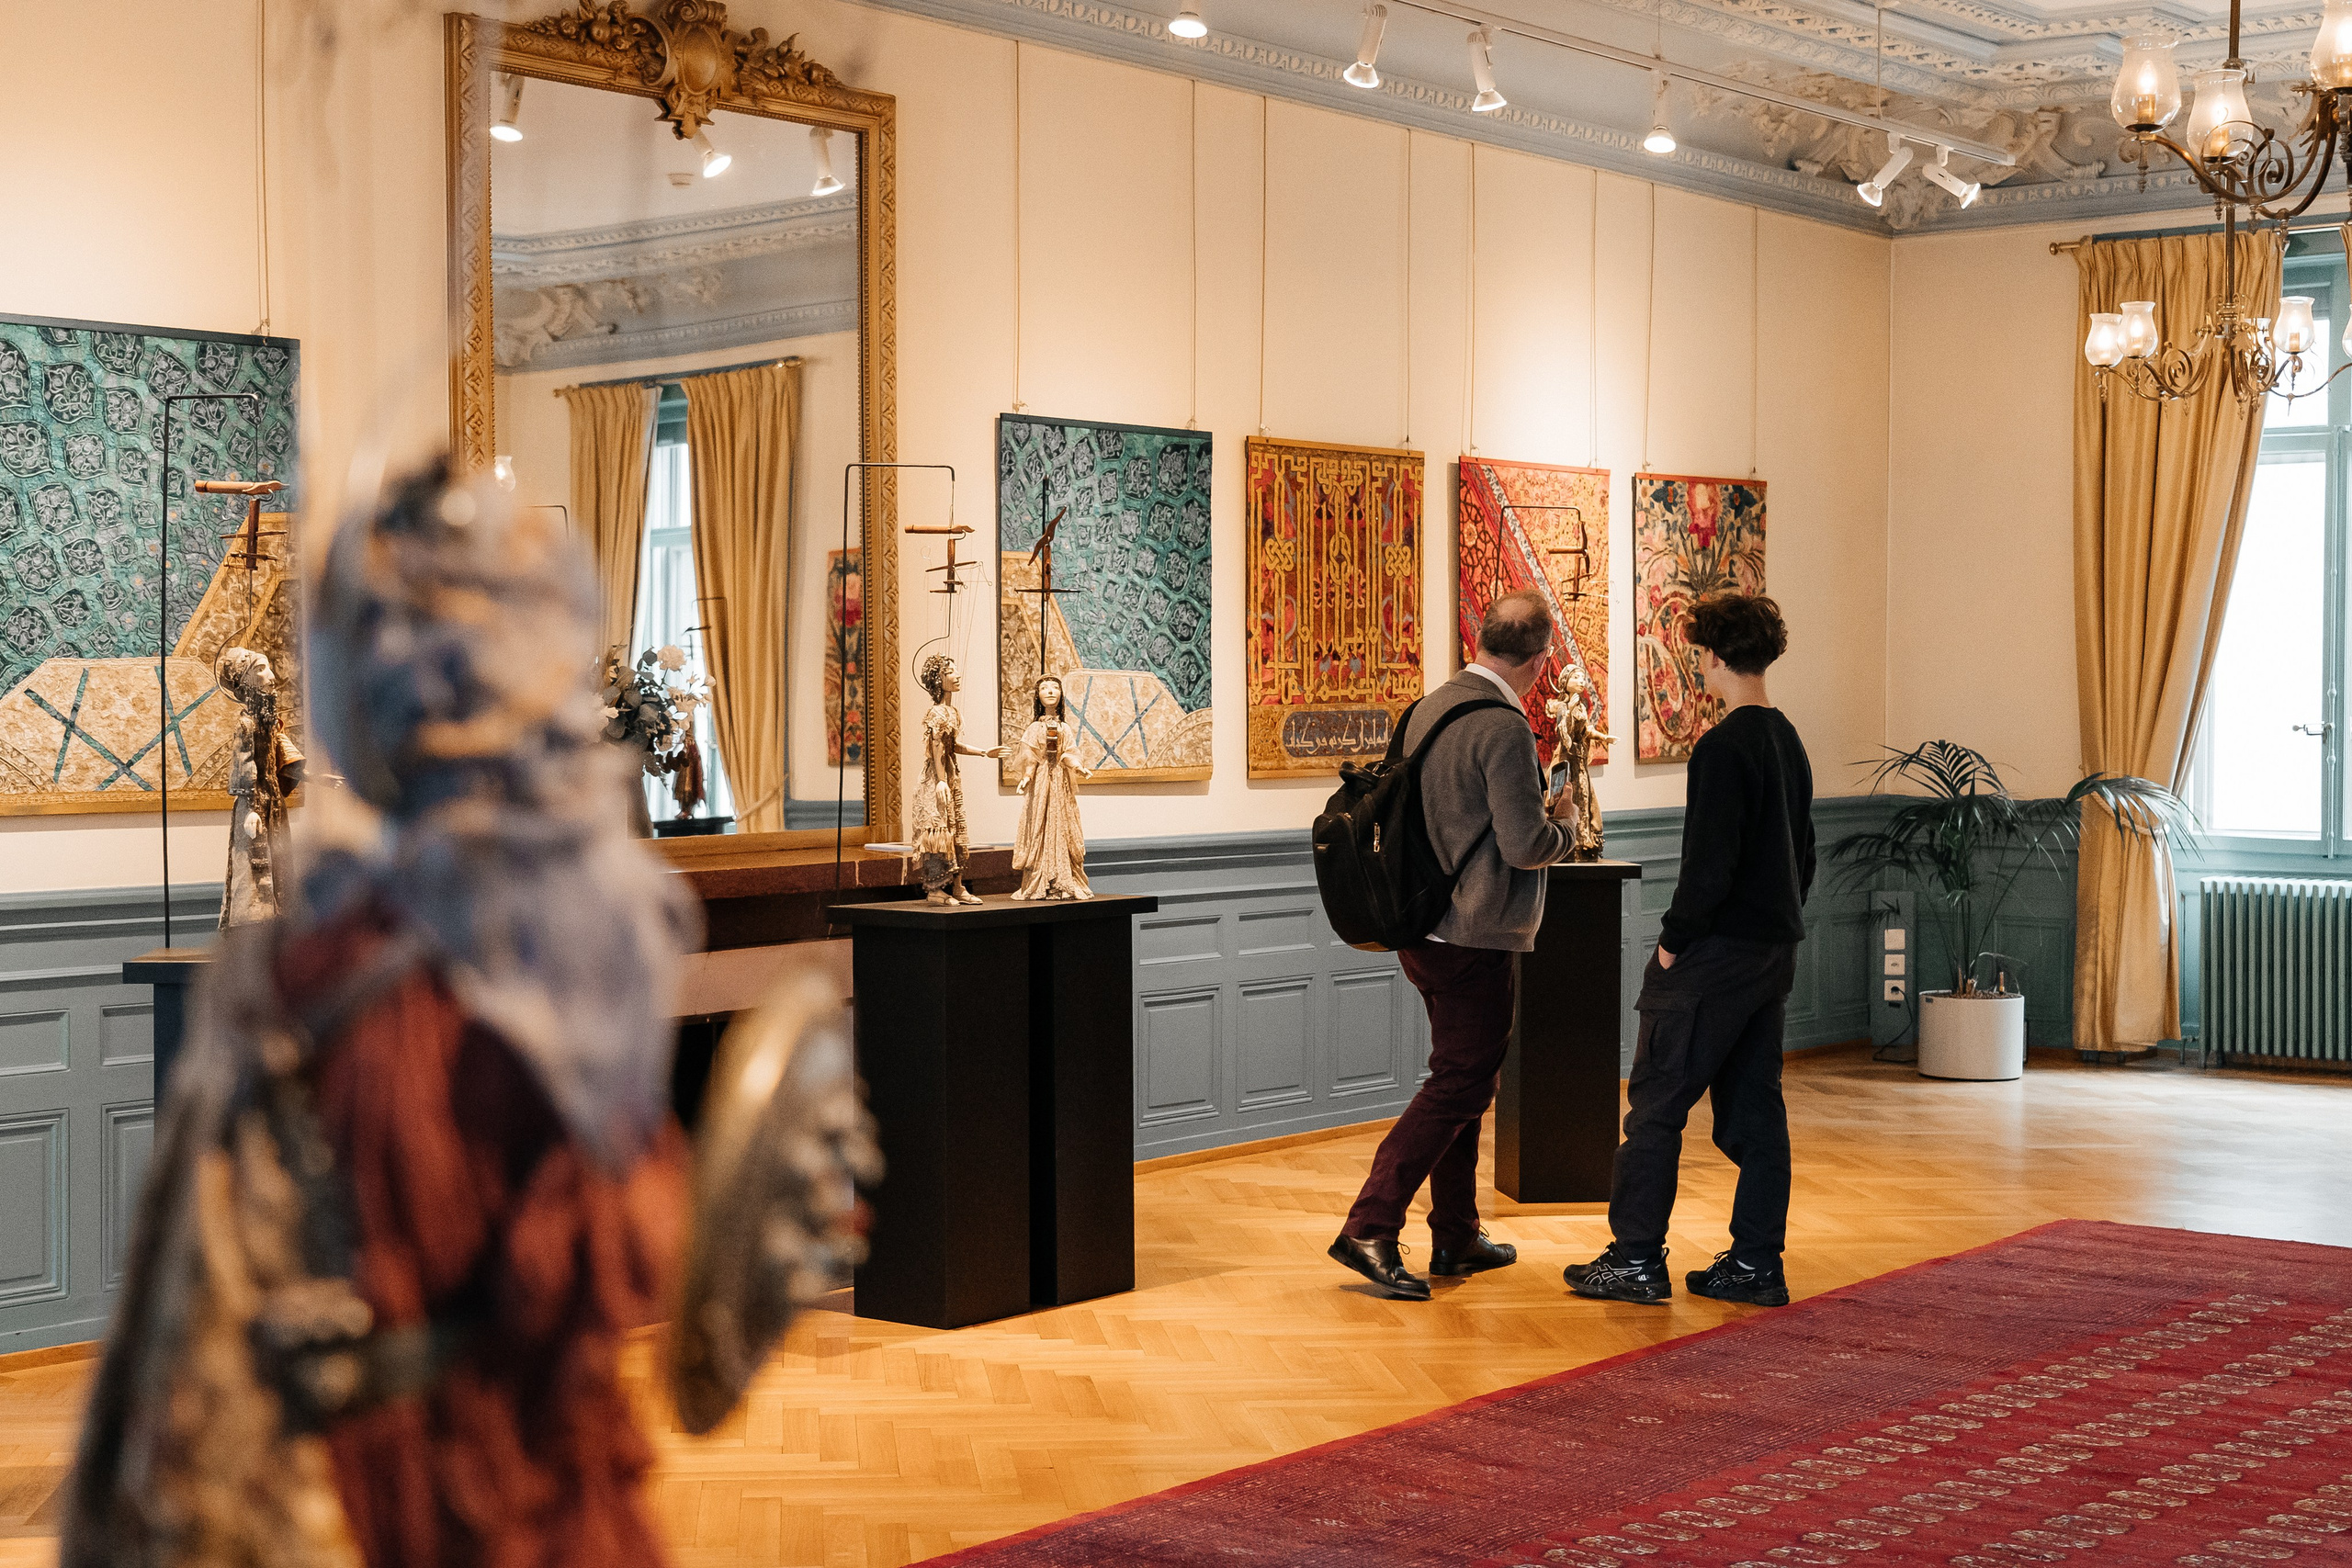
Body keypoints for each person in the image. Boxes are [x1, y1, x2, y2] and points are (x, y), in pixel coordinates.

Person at [1329, 590, 1578, 1301]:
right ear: (1538, 659)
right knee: (1461, 1081)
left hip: (1421, 923)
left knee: (1464, 1075)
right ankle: (1370, 1224)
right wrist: (1567, 822)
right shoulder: (1503, 726)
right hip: (1474, 930)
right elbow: (1526, 844)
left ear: (1482, 637)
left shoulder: (1427, 705)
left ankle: (1457, 1232)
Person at [1566, 592, 1813, 1309]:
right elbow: (1806, 855)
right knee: (1756, 1107)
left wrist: (1673, 944)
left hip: (1715, 954)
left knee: (1655, 1104)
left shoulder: (1722, 746)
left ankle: (1637, 1256)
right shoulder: (1787, 739)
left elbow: (1710, 867)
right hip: (1773, 951)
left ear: (1713, 655)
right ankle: (1758, 1261)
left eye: (1699, 652)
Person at [1011, 673, 1095, 900]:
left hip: (1060, 783)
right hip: (1040, 784)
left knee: (1062, 824)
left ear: (1061, 695)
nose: (1050, 692)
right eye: (1045, 688)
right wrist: (1027, 776)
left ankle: (1062, 880)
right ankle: (1041, 878)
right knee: (1040, 824)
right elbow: (1029, 756)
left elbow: (1068, 752)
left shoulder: (1064, 728)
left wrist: (1078, 767)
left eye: (1055, 688)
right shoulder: (1034, 729)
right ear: (1038, 696)